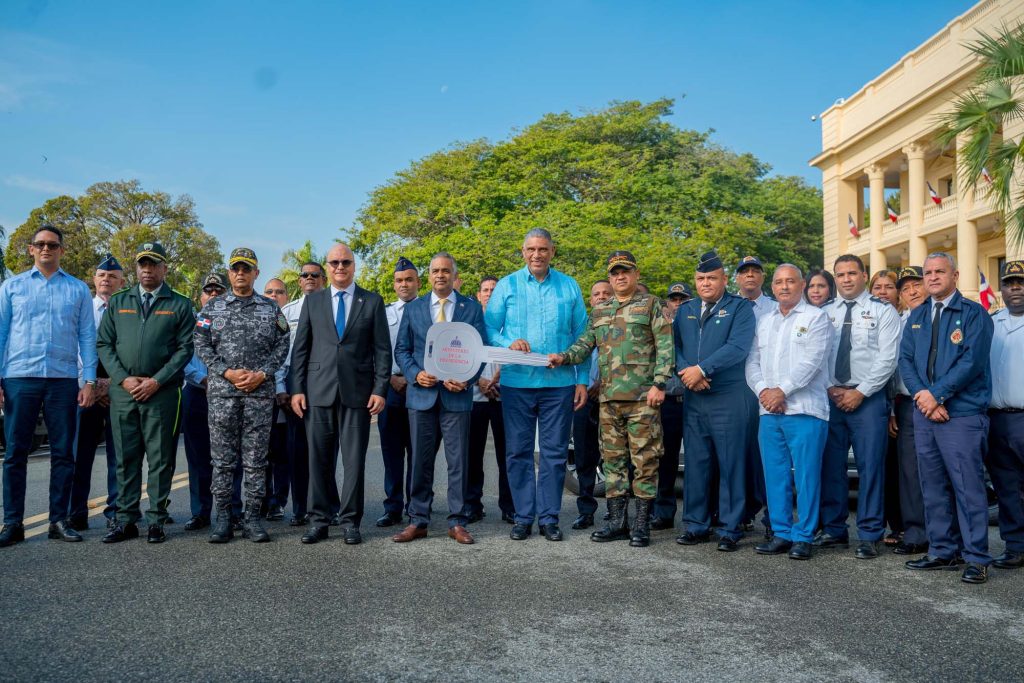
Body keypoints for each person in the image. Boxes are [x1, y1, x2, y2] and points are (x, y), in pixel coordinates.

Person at [551, 250, 673, 547]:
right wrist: (562, 357)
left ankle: (641, 525)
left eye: (625, 271)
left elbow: (666, 347)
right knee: (613, 463)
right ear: (610, 277)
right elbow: (583, 346)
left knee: (645, 461)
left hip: (643, 399)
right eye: (615, 273)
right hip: (609, 401)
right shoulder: (600, 312)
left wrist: (660, 383)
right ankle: (617, 522)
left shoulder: (651, 305)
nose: (620, 277)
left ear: (636, 275)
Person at [484, 228, 590, 542]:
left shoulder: (569, 286)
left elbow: (582, 336)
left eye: (543, 249)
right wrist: (507, 342)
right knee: (517, 452)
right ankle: (522, 517)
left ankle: (549, 518)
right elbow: (489, 327)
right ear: (523, 251)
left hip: (559, 385)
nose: (537, 255)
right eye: (531, 249)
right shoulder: (508, 285)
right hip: (517, 382)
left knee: (555, 454)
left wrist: (582, 380)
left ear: (552, 252)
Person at [899, 252, 994, 584]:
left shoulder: (974, 314)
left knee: (967, 487)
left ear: (955, 274)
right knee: (933, 485)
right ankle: (943, 550)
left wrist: (936, 394)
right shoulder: (917, 316)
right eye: (928, 273)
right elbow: (906, 362)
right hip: (926, 413)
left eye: (940, 271)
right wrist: (925, 398)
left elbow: (972, 362)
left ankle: (976, 557)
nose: (933, 277)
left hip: (962, 414)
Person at [0, 225, 96, 547]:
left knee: (62, 453)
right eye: (40, 244)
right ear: (30, 249)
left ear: (61, 251)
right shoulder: (11, 287)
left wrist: (89, 381)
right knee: (15, 453)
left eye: (52, 245)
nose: (46, 249)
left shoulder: (78, 290)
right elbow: (1, 334)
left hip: (62, 379)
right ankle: (13, 523)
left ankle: (58, 520)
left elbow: (87, 337)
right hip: (19, 377)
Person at [289, 243, 390, 545]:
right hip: (318, 392)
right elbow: (301, 350)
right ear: (327, 266)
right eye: (334, 262)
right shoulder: (314, 301)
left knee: (354, 462)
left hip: (357, 394)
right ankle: (318, 520)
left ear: (354, 265)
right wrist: (296, 389)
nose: (340, 267)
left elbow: (382, 351)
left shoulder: (371, 301)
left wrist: (380, 388)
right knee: (318, 460)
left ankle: (350, 521)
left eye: (345, 262)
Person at [97, 242, 194, 544]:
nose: (147, 270)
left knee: (161, 457)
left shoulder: (179, 303)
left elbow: (185, 349)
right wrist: (123, 380)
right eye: (142, 264)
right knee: (126, 458)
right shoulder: (119, 301)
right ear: (136, 268)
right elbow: (105, 344)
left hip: (162, 393)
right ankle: (125, 519)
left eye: (153, 264)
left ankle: (156, 519)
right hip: (124, 393)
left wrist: (156, 380)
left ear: (165, 268)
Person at [194, 248, 290, 544]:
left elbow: (283, 344)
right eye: (235, 268)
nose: (240, 273)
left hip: (259, 396)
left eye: (246, 268)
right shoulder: (212, 308)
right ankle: (223, 519)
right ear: (229, 271)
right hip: (224, 395)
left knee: (256, 460)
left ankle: (252, 519)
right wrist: (226, 372)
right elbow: (201, 342)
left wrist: (262, 373)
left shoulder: (270, 308)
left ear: (255, 273)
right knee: (222, 461)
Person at [392, 253, 486, 545]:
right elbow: (402, 350)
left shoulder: (470, 308)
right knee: (420, 461)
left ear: (454, 275)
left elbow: (479, 352)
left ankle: (457, 521)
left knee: (458, 462)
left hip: (456, 398)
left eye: (446, 271)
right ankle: (418, 520)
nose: (440, 275)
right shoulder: (415, 308)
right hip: (422, 396)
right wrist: (415, 374)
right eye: (435, 271)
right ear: (429, 276)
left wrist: (468, 378)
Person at [746, 264, 833, 560]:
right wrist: (764, 392)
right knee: (775, 475)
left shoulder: (817, 317)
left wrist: (781, 391)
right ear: (772, 286)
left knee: (806, 476)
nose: (784, 287)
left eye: (790, 281)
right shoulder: (765, 321)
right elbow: (752, 362)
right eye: (779, 282)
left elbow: (812, 361)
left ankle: (803, 536)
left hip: (805, 410)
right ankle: (781, 533)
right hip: (769, 412)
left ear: (802, 284)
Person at [816, 255, 901, 559]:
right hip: (832, 398)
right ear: (835, 279)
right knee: (832, 468)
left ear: (864, 275)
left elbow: (888, 359)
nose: (847, 279)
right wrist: (830, 387)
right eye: (840, 274)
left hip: (869, 399)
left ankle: (869, 534)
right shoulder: (823, 313)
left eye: (852, 273)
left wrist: (861, 392)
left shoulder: (883, 311)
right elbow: (817, 356)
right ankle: (835, 529)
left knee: (871, 468)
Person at [673, 252, 756, 551]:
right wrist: (687, 374)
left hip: (728, 395)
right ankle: (696, 524)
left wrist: (703, 369)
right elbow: (676, 347)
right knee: (696, 463)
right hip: (695, 395)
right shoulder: (686, 310)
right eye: (700, 279)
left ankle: (730, 527)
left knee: (731, 462)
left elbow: (738, 347)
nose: (705, 283)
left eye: (711, 278)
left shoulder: (740, 308)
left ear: (724, 279)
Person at [181, 272, 243, 532]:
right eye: (209, 291)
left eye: (219, 291)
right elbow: (182, 354)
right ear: (201, 296)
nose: (214, 295)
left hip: (230, 393)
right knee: (198, 457)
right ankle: (200, 511)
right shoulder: (192, 322)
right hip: (197, 392)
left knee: (232, 456)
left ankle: (234, 510)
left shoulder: (234, 320)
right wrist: (204, 379)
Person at [67, 255, 125, 531]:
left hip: (118, 392)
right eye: (102, 275)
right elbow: (74, 350)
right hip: (86, 390)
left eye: (112, 276)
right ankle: (75, 512)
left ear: (122, 281)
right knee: (80, 454)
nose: (106, 280)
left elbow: (130, 354)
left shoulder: (128, 311)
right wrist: (89, 383)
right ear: (94, 279)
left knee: (120, 456)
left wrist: (112, 385)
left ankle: (116, 510)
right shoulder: (82, 309)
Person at [279, 261, 333, 527]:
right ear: (299, 281)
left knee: (326, 450)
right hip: (295, 383)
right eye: (305, 275)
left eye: (315, 275)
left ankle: (328, 507)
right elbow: (279, 353)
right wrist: (281, 388)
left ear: (323, 279)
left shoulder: (333, 307)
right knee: (297, 451)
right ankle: (300, 508)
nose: (310, 278)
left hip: (325, 384)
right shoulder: (287, 312)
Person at [466, 275, 515, 525]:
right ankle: (473, 505)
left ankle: (509, 506)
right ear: (478, 295)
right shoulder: (470, 323)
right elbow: (460, 357)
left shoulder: (511, 323)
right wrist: (479, 381)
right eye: (485, 289)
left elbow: (518, 355)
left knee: (507, 455)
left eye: (494, 290)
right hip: (474, 396)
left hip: (503, 396)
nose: (489, 293)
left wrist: (500, 377)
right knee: (472, 455)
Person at [985, 260, 1024, 570]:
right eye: (1010, 282)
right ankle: (1015, 546)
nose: (1016, 287)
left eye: (1021, 282)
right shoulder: (991, 322)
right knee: (1006, 487)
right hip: (997, 420)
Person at [889, 266, 930, 556]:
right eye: (905, 288)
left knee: (941, 472)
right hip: (905, 405)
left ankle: (946, 535)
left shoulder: (939, 317)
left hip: (938, 404)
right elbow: (893, 370)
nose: (912, 291)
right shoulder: (899, 321)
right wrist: (892, 408)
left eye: (917, 285)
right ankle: (915, 533)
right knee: (909, 474)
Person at [376, 257, 420, 527]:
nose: (404, 284)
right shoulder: (383, 312)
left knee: (419, 452)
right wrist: (389, 378)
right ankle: (392, 507)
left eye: (409, 279)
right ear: (394, 284)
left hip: (420, 388)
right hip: (391, 388)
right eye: (399, 280)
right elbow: (375, 351)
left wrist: (415, 377)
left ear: (418, 282)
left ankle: (417, 506)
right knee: (392, 453)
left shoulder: (428, 310)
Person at [735, 255, 775, 535]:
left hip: (766, 389)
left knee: (767, 455)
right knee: (738, 454)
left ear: (762, 277)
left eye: (755, 271)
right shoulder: (729, 306)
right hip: (734, 389)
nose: (750, 275)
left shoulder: (774, 308)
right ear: (737, 278)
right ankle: (741, 512)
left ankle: (773, 516)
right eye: (744, 271)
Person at [570, 279, 613, 530]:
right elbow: (576, 355)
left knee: (614, 458)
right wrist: (585, 384)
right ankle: (586, 511)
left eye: (606, 293)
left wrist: (604, 383)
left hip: (612, 399)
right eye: (596, 294)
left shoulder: (619, 323)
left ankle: (614, 510)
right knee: (585, 458)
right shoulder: (583, 326)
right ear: (590, 299)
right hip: (583, 398)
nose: (601, 297)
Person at [650, 281, 691, 530]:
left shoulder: (696, 327)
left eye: (683, 299)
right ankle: (664, 512)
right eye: (674, 299)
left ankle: (701, 514)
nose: (678, 304)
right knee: (666, 461)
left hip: (694, 401)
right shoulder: (658, 327)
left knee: (699, 460)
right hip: (668, 403)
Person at [869, 267, 905, 546]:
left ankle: (905, 525)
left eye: (888, 287)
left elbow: (894, 367)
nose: (882, 292)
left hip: (903, 402)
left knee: (904, 468)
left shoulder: (906, 319)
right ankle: (892, 524)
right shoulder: (869, 318)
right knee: (886, 467)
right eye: (877, 287)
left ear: (898, 292)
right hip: (885, 403)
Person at [263, 278, 291, 520]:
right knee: (260, 452)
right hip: (260, 395)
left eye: (279, 292)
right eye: (269, 292)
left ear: (287, 296)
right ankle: (261, 499)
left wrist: (281, 387)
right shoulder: (258, 317)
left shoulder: (290, 320)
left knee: (281, 452)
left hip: (286, 396)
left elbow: (286, 360)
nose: (274, 295)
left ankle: (278, 501)